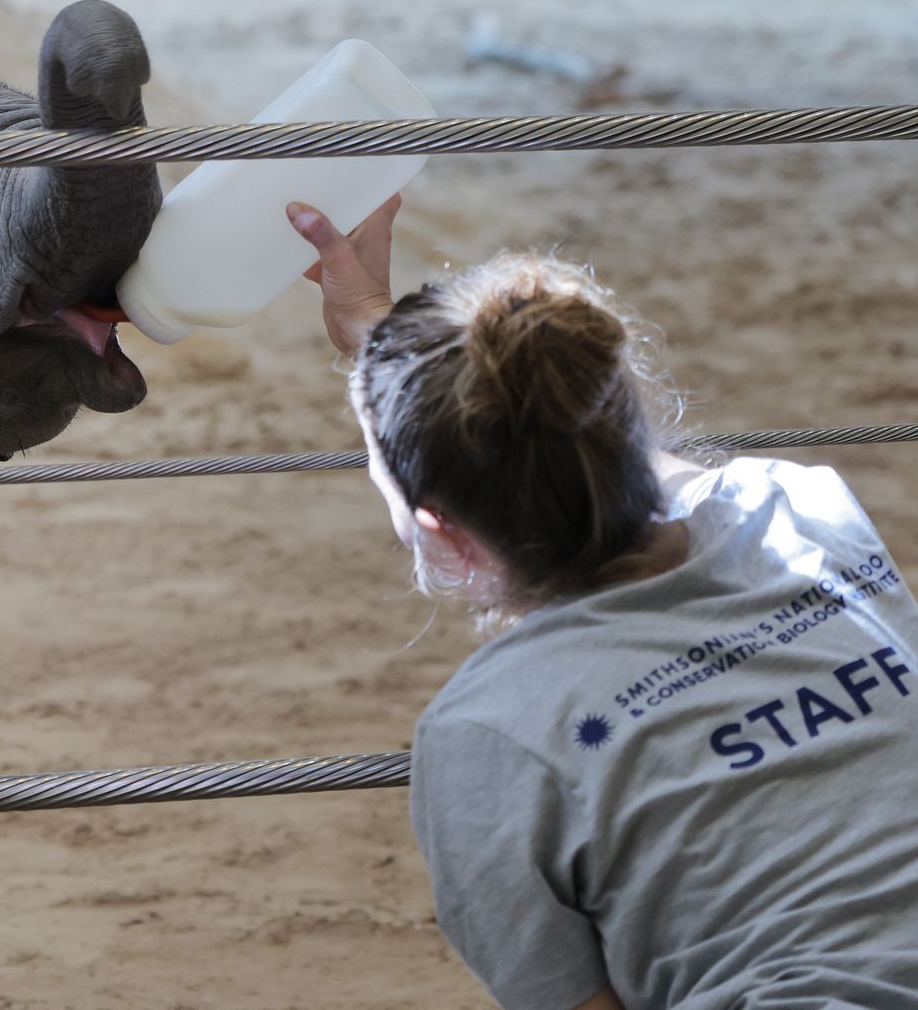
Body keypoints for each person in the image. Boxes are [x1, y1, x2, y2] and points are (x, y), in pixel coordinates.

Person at [284, 198, 918, 1009]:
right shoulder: (805, 510)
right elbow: (607, 447)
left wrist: (378, 342)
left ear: (437, 528)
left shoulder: (488, 731)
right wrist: (378, 330)